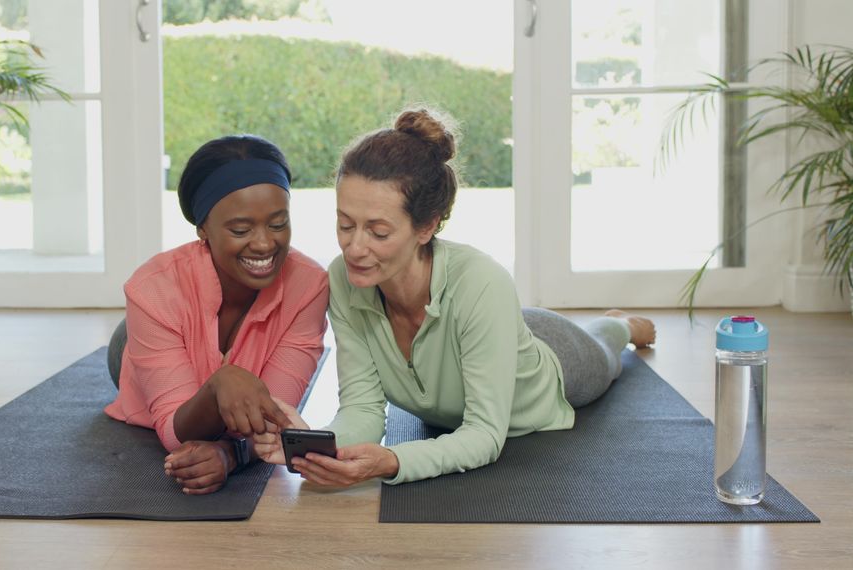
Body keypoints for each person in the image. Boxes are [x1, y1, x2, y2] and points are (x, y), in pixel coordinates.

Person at [254, 109, 656, 487]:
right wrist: (321, 449)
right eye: (345, 224)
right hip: (492, 326)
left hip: (552, 358)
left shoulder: (482, 282)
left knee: (605, 353)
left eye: (378, 232)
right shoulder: (344, 280)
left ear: (426, 227)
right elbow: (362, 409)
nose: (355, 248)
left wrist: (393, 461)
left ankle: (619, 323)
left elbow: (484, 436)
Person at [104, 135, 329, 494]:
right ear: (202, 229)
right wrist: (217, 385)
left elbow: (276, 416)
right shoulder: (152, 288)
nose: (264, 243)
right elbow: (173, 430)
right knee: (131, 344)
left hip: (184, 337)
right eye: (241, 230)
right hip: (142, 342)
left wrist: (230, 454)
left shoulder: (310, 284)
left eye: (277, 224)